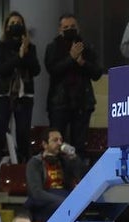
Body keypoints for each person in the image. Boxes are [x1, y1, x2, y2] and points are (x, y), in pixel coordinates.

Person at [0, 11, 39, 171]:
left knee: (24, 133)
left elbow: (36, 70)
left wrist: (26, 53)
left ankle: (25, 172)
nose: (15, 26)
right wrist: (19, 56)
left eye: (18, 23)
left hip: (24, 96)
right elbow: (1, 69)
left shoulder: (30, 48)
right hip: (3, 95)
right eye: (12, 23)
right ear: (6, 27)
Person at [44, 14, 101, 151]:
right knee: (57, 144)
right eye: (66, 27)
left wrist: (82, 63)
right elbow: (52, 69)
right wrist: (71, 58)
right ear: (60, 29)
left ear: (78, 28)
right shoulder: (53, 47)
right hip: (59, 103)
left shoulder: (86, 47)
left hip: (82, 102)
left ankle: (78, 172)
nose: (70, 29)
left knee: (79, 144)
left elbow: (97, 73)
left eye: (73, 26)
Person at [25, 128, 83, 222]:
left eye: (61, 140)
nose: (59, 143)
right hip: (45, 198)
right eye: (55, 140)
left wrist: (74, 159)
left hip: (64, 195)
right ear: (45, 144)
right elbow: (36, 192)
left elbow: (81, 175)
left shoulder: (65, 160)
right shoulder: (35, 163)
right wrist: (63, 201)